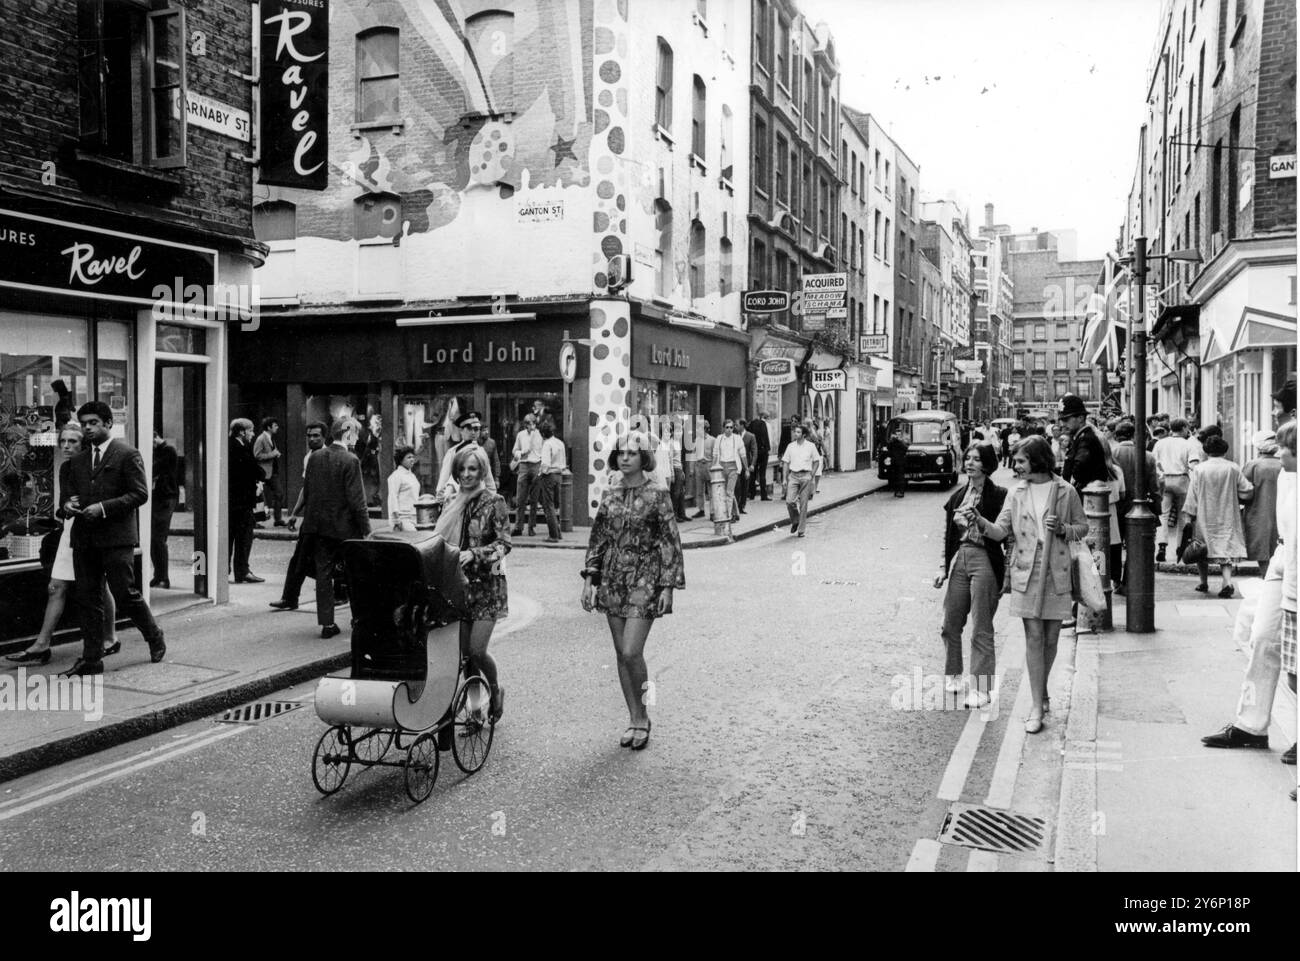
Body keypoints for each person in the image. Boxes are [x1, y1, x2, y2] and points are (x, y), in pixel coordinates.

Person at [974, 436, 1088, 734]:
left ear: (1037, 460)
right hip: (1026, 569)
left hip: (1057, 569)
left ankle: (1042, 689)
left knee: (1051, 638)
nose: (1017, 465)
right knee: (1034, 637)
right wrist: (978, 521)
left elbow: (1083, 527)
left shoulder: (1066, 491)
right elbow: (1000, 532)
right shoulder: (1016, 492)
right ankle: (1037, 706)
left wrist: (1063, 528)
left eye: (1022, 460)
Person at [581, 431, 685, 750]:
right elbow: (598, 539)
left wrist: (668, 586)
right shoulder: (610, 494)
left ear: (644, 458)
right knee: (620, 654)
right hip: (613, 578)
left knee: (631, 650)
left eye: (632, 453)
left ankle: (643, 716)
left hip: (646, 576)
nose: (625, 458)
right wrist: (590, 580)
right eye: (621, 453)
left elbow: (670, 541)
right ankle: (635, 718)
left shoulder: (657, 493)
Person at [1202, 419, 1296, 763]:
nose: (1278, 452)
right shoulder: (1286, 476)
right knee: (1262, 637)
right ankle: (1251, 726)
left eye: (1284, 448)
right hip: (1283, 559)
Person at [58, 401, 166, 676]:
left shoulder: (127, 454)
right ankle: (92, 660)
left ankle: (154, 636)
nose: (88, 428)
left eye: (93, 422)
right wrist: (67, 507)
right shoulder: (77, 461)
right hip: (84, 539)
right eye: (84, 423)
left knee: (125, 593)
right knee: (88, 599)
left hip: (117, 538)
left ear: (108, 423)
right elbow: (66, 499)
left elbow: (140, 494)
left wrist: (104, 508)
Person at [6, 424, 118, 665]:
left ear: (84, 444)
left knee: (100, 585)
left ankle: (110, 638)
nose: (66, 446)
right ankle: (42, 644)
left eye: (73, 442)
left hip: (94, 533)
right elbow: (62, 505)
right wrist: (66, 506)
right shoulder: (66, 468)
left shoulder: (95, 466)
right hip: (71, 531)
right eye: (63, 442)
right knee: (56, 587)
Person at [269, 417, 371, 638]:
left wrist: (298, 515)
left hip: (318, 527)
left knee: (324, 575)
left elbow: (308, 490)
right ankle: (359, 620)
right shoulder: (351, 460)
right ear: (348, 434)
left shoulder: (314, 458)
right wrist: (366, 530)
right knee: (355, 574)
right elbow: (357, 502)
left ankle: (327, 624)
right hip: (345, 529)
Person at [433, 446, 511, 723]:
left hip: (488, 587)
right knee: (466, 657)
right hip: (459, 587)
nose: (466, 474)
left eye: (472, 469)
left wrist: (474, 553)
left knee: (478, 651)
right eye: (462, 469)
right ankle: (475, 711)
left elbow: (504, 545)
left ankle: (495, 689)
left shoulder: (495, 501)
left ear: (482, 471)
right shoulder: (452, 501)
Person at [934, 443, 1007, 708]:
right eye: (968, 458)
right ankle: (954, 673)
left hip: (985, 559)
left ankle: (983, 688)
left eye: (976, 459)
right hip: (960, 560)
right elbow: (947, 535)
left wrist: (1008, 573)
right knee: (950, 623)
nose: (970, 463)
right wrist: (943, 567)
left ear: (987, 464)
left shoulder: (999, 495)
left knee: (981, 627)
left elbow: (1006, 535)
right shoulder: (957, 497)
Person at [1180, 434, 1253, 598]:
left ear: (1206, 451)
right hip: (1228, 514)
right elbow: (1247, 490)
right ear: (1224, 450)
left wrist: (1189, 515)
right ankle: (1227, 582)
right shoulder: (1233, 467)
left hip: (1205, 515)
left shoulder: (1199, 469)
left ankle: (1203, 582)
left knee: (1201, 548)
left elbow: (1193, 495)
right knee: (1225, 549)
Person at [1112, 420, 1159, 594]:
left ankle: (1115, 580)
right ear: (1134, 435)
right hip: (1139, 506)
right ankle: (1128, 581)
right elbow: (1154, 487)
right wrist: (1157, 508)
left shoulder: (1110, 453)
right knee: (1135, 546)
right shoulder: (1148, 456)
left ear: (1116, 436)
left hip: (1115, 506)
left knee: (1115, 545)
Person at [1153, 418, 1199, 563]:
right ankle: (1180, 547)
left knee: (1163, 515)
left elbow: (1153, 462)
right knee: (1182, 515)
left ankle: (1162, 546)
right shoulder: (1188, 444)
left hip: (1164, 479)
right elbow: (1193, 465)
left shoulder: (1160, 443)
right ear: (1184, 428)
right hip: (1182, 480)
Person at [227, 418, 264, 584]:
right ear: (242, 431)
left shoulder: (229, 446)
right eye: (251, 430)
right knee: (244, 538)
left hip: (233, 501)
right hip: (242, 501)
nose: (253, 433)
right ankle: (242, 571)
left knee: (229, 537)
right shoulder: (240, 448)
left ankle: (223, 569)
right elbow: (256, 470)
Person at [1242, 430, 1282, 578]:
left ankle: (1267, 577)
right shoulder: (1283, 465)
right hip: (1281, 511)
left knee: (1262, 547)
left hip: (1258, 512)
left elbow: (1243, 491)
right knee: (1279, 546)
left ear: (1258, 448)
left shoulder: (1252, 465)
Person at [434, 411, 498, 496]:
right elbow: (443, 480)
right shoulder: (453, 452)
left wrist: (492, 498)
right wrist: (441, 497)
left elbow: (489, 482)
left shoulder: (482, 452)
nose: (473, 432)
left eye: (476, 429)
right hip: (457, 498)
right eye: (469, 428)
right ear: (461, 430)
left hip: (478, 499)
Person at [1059, 394, 1109, 495]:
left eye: (1066, 419)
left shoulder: (1086, 440)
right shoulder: (1080, 438)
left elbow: (1078, 474)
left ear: (1081, 418)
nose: (1062, 424)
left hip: (1086, 500)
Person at [150, 427, 179, 589]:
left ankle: (163, 577)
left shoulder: (168, 451)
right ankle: (158, 575)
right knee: (154, 539)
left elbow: (155, 468)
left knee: (158, 538)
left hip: (166, 498)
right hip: (159, 498)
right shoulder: (161, 451)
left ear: (155, 438)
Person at [781, 423, 821, 536]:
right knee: (789, 501)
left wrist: (811, 475)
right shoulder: (790, 446)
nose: (795, 434)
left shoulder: (810, 446)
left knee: (804, 504)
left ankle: (801, 530)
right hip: (793, 475)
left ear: (803, 435)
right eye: (795, 432)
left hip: (805, 476)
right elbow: (785, 462)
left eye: (798, 432)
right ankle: (795, 520)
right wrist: (784, 479)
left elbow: (817, 461)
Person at [510, 413, 543, 536]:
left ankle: (531, 526)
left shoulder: (540, 435)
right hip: (523, 465)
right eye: (528, 423)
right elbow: (515, 450)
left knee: (534, 499)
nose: (531, 426)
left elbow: (544, 451)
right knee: (520, 498)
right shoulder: (521, 435)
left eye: (533, 423)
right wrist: (520, 453)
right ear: (525, 424)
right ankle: (518, 527)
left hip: (536, 464)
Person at [713, 418, 747, 522]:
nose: (729, 429)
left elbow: (743, 455)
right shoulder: (719, 439)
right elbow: (715, 454)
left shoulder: (737, 439)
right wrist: (714, 468)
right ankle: (736, 513)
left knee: (729, 492)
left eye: (731, 427)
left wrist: (747, 469)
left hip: (733, 467)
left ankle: (728, 516)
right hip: (722, 467)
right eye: (727, 427)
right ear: (723, 428)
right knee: (727, 493)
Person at [253, 417, 285, 527]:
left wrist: (276, 453)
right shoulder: (261, 439)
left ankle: (278, 519)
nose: (277, 428)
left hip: (272, 472)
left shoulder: (271, 438)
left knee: (279, 494)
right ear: (269, 427)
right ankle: (256, 521)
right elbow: (256, 455)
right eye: (275, 426)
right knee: (258, 497)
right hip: (262, 472)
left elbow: (271, 451)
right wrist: (272, 454)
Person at [539, 419, 566, 542]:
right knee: (555, 506)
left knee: (548, 506)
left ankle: (553, 535)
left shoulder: (546, 444)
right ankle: (558, 533)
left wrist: (540, 474)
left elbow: (545, 464)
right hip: (559, 475)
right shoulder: (560, 443)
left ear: (543, 434)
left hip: (549, 476)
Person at [386, 446, 421, 531]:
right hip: (403, 519)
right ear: (401, 460)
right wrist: (397, 521)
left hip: (415, 517)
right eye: (409, 457)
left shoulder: (412, 476)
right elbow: (392, 498)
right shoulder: (396, 476)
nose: (412, 459)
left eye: (413, 457)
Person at [690, 419, 716, 520]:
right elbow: (693, 454)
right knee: (699, 490)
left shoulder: (712, 440)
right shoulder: (696, 440)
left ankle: (713, 512)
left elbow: (715, 455)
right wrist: (692, 469)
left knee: (711, 490)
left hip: (708, 465)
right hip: (699, 465)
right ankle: (701, 509)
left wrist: (714, 467)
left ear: (705, 429)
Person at [665, 420, 688, 522]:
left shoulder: (678, 443)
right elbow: (670, 459)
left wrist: (682, 471)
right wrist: (672, 473)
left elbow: (679, 459)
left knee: (682, 493)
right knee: (676, 493)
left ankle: (682, 513)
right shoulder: (670, 443)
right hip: (674, 469)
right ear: (672, 432)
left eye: (681, 430)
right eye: (677, 430)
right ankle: (674, 515)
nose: (680, 433)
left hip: (679, 469)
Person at [735, 417, 757, 515]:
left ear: (742, 426)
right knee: (737, 486)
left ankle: (741, 506)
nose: (735, 427)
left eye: (737, 425)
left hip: (745, 465)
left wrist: (752, 464)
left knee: (744, 486)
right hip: (735, 464)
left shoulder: (750, 436)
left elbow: (754, 451)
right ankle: (735, 506)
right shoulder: (734, 436)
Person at [749, 412, 772, 500]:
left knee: (753, 473)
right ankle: (763, 495)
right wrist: (767, 449)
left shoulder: (752, 423)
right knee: (762, 473)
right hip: (763, 451)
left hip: (754, 451)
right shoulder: (765, 424)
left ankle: (752, 494)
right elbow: (766, 437)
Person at [886, 427, 909, 498]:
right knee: (895, 477)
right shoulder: (893, 441)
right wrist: (892, 440)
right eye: (897, 434)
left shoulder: (902, 441)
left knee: (901, 478)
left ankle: (901, 492)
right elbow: (888, 447)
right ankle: (896, 491)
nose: (898, 435)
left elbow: (905, 448)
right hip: (894, 461)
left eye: (899, 434)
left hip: (901, 462)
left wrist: (899, 441)